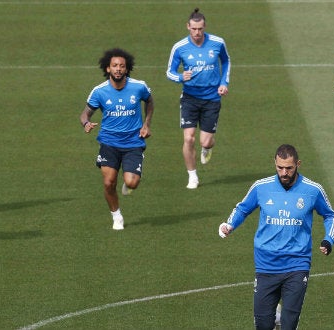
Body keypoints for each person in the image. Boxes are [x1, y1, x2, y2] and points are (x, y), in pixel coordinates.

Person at [218, 144, 334, 330]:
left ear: (298, 164)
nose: (284, 173)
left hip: (297, 264)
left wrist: (328, 239)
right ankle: (275, 317)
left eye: (289, 168)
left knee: (290, 325)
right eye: (280, 167)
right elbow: (242, 209)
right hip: (266, 265)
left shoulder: (312, 190)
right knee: (263, 326)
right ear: (275, 163)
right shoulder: (261, 187)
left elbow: (330, 215)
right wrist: (229, 224)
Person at [79, 48, 154, 230]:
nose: (118, 69)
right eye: (114, 66)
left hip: (133, 143)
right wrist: (86, 123)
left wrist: (146, 124)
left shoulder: (139, 86)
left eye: (122, 66)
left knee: (131, 182)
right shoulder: (99, 92)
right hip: (109, 142)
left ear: (127, 69)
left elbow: (149, 101)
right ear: (107, 69)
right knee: (108, 182)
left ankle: (129, 181)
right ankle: (117, 215)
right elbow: (85, 114)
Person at [166, 7, 231, 189]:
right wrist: (180, 77)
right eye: (194, 29)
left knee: (205, 141)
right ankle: (192, 176)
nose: (197, 32)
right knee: (188, 139)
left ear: (205, 27)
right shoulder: (180, 47)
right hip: (189, 98)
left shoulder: (217, 43)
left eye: (200, 29)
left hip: (212, 98)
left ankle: (207, 148)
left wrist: (224, 82)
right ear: (188, 27)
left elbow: (226, 61)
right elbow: (169, 72)